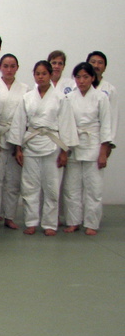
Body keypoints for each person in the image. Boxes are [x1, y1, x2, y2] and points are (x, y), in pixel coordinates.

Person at [7, 61, 78, 236]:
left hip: (53, 144)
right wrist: (18, 148)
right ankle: (31, 222)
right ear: (34, 75)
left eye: (44, 73)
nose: (40, 77)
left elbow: (66, 125)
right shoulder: (28, 97)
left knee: (51, 186)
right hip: (31, 143)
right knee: (30, 187)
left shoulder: (60, 97)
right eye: (37, 73)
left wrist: (64, 151)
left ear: (50, 75)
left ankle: (49, 224)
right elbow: (19, 124)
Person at [61, 62, 112, 235]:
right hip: (74, 144)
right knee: (71, 187)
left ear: (92, 78)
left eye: (85, 77)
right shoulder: (69, 97)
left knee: (93, 188)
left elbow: (106, 125)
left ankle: (91, 223)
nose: (81, 81)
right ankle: (73, 221)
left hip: (93, 144)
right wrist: (64, 149)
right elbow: (65, 125)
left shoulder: (101, 97)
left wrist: (104, 152)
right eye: (78, 77)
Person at [0, 54, 29, 230]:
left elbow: (27, 117)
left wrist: (19, 143)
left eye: (12, 66)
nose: (9, 69)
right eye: (5, 66)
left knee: (13, 181)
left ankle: (9, 216)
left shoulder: (25, 89)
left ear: (17, 68)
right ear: (0, 67)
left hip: (16, 136)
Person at [87, 51, 118, 155]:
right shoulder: (77, 87)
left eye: (100, 63)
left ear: (105, 67)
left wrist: (109, 143)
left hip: (100, 138)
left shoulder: (110, 89)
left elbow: (114, 117)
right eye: (93, 62)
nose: (96, 65)